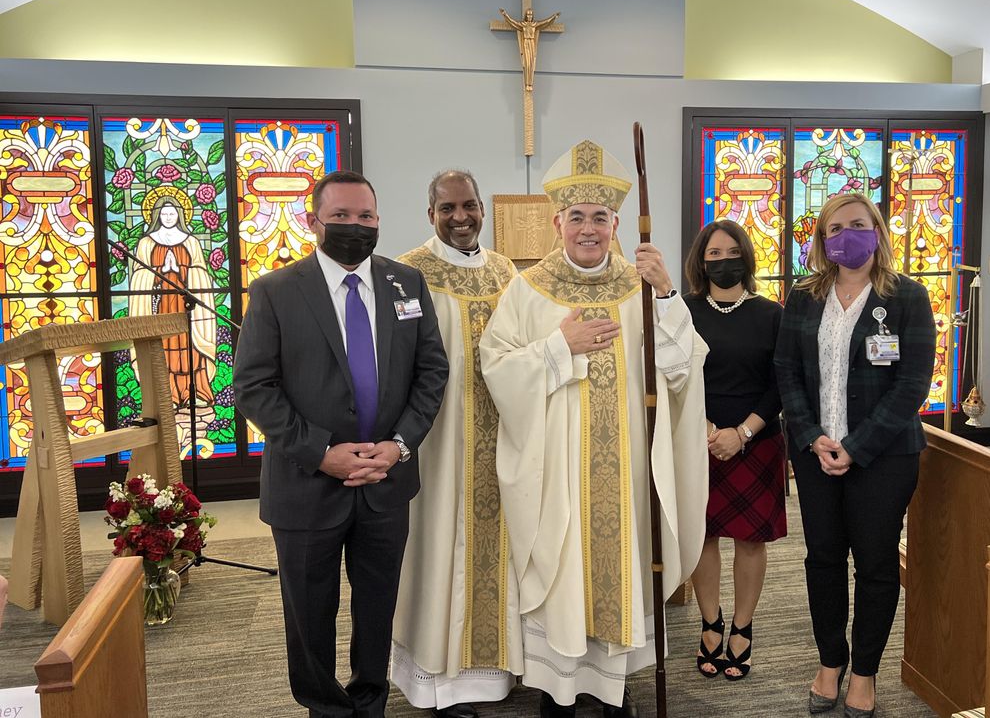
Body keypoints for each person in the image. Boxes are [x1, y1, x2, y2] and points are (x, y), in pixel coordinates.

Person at [480, 140, 709, 718]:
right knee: (562, 573)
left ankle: (613, 689)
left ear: (616, 224)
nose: (588, 228)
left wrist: (666, 292)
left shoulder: (639, 285)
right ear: (557, 222)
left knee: (621, 571)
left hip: (625, 469)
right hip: (554, 470)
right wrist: (561, 346)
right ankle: (560, 692)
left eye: (600, 218)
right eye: (577, 217)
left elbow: (680, 367)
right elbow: (497, 368)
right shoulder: (527, 288)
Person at [234, 170, 448, 718]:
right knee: (310, 613)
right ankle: (324, 709)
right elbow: (255, 388)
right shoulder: (276, 291)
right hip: (307, 485)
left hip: (386, 480)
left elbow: (431, 374)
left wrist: (399, 445)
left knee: (378, 610)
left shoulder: (407, 284)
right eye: (342, 217)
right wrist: (320, 451)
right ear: (314, 223)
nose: (356, 227)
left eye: (367, 217)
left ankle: (370, 703)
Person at [773, 192, 935, 718]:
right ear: (822, 239)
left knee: (876, 563)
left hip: (884, 458)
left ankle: (864, 671)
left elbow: (912, 385)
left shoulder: (907, 297)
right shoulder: (804, 296)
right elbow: (787, 372)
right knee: (822, 559)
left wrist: (857, 447)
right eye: (835, 228)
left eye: (858, 225)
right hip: (815, 454)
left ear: (877, 230)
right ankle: (829, 661)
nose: (847, 235)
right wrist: (813, 435)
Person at [392, 170, 521, 718]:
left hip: (503, 433)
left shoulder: (506, 269)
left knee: (502, 547)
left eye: (469, 206)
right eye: (447, 208)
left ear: (482, 210)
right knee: (436, 543)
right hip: (438, 438)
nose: (460, 217)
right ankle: (437, 681)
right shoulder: (407, 272)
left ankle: (495, 675)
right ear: (430, 214)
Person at [682, 220, 784, 682]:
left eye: (730, 252)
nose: (723, 262)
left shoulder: (771, 314)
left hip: (756, 441)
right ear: (701, 263)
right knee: (702, 536)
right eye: (713, 255)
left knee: (749, 538)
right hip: (697, 439)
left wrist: (741, 433)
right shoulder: (682, 312)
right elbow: (675, 375)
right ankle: (710, 621)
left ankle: (742, 626)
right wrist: (705, 427)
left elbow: (782, 384)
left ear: (746, 255)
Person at [128, 187, 216, 406]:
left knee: (190, 348)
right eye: (165, 214)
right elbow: (139, 276)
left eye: (173, 213)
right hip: (159, 306)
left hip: (187, 308)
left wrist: (180, 270)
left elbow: (200, 273)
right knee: (163, 348)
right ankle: (167, 396)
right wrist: (158, 273)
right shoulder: (146, 243)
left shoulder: (191, 241)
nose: (169, 217)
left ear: (180, 215)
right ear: (157, 215)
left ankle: (193, 393)